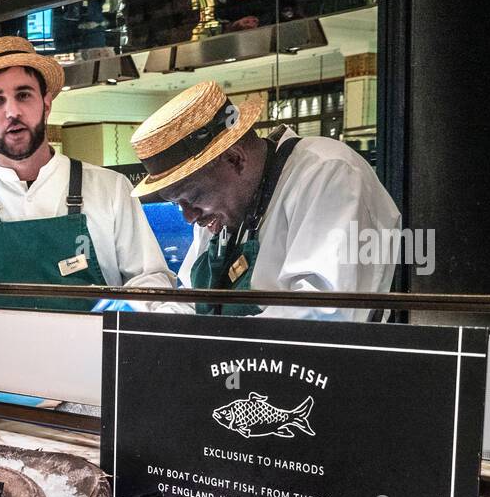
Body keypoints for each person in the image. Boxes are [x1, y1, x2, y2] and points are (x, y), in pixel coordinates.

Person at [0, 36, 174, 309]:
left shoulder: (111, 189)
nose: (12, 112)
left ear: (46, 103)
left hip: (91, 351)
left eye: (23, 95)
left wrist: (127, 308)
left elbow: (151, 279)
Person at [129, 80, 401, 321]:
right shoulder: (219, 210)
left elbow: (323, 313)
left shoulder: (328, 172)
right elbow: (192, 301)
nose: (188, 216)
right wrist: (146, 320)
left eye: (193, 197)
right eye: (179, 204)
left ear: (235, 159)